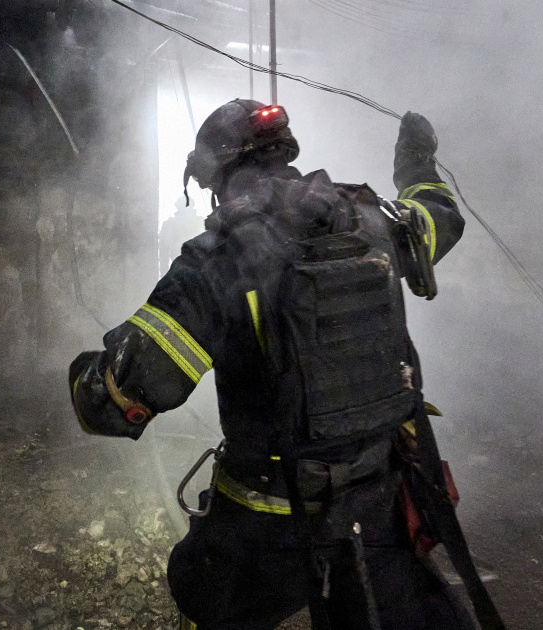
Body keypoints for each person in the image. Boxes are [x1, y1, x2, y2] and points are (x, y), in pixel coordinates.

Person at [69, 99, 479, 629]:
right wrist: (415, 161)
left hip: (268, 523)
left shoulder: (216, 260)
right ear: (284, 153)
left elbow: (111, 404)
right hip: (377, 502)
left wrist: (86, 375)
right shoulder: (374, 221)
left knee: (199, 591)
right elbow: (440, 216)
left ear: (214, 176)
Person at [159, 196, 203, 273]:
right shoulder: (170, 224)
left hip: (197, 267)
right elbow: (164, 249)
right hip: (183, 267)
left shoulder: (200, 222)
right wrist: (164, 271)